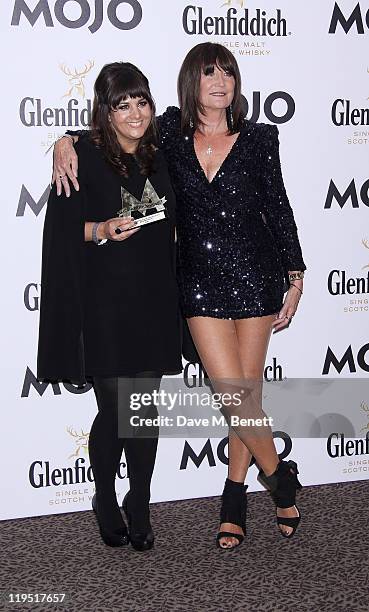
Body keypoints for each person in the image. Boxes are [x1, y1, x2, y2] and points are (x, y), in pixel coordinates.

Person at [53, 43, 306, 550]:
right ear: (191, 81)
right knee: (231, 394)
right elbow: (118, 127)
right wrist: (64, 140)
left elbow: (278, 205)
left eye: (228, 73)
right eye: (209, 73)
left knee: (244, 396)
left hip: (254, 277)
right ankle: (282, 479)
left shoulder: (259, 137)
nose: (220, 82)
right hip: (195, 283)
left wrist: (295, 275)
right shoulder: (170, 131)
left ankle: (233, 498)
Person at [38, 62, 182, 551]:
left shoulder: (164, 154)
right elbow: (61, 232)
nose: (135, 113)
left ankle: (138, 500)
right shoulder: (80, 156)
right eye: (123, 104)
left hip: (156, 302)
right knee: (115, 409)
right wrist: (100, 229)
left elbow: (214, 116)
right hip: (103, 306)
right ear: (106, 110)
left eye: (141, 101)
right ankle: (104, 496)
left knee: (143, 412)